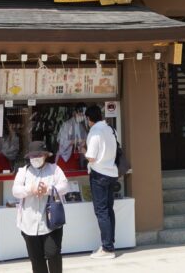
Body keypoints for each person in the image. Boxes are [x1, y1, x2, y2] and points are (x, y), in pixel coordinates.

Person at [12, 141, 69, 273]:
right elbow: (15, 190)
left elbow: (65, 186)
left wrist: (48, 189)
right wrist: (30, 189)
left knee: (53, 253)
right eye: (33, 156)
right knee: (36, 259)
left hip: (51, 222)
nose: (36, 159)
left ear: (45, 155)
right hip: (29, 223)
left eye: (39, 155)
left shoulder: (54, 169)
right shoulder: (23, 171)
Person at [84, 104, 118, 259]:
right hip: (112, 172)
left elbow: (91, 157)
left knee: (101, 211)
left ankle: (107, 248)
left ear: (89, 119)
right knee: (109, 210)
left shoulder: (95, 132)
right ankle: (109, 243)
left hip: (99, 174)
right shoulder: (110, 129)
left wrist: (83, 151)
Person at [55, 103, 88, 171]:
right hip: (65, 157)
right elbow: (61, 141)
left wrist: (84, 142)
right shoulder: (67, 124)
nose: (82, 116)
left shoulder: (82, 125)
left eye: (83, 115)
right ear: (75, 113)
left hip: (77, 156)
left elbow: (85, 138)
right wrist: (75, 141)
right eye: (80, 114)